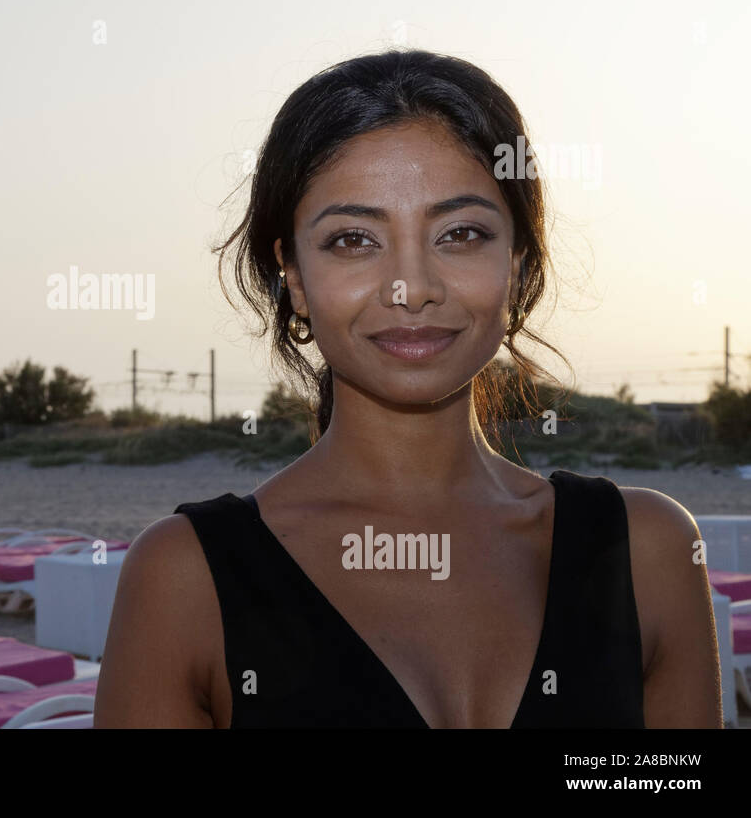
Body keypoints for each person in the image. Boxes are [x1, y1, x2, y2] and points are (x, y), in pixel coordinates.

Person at [93, 50, 723, 728]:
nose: (412, 286)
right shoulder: (185, 580)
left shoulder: (647, 552)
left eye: (461, 233)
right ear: (294, 277)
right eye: (353, 240)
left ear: (515, 260)